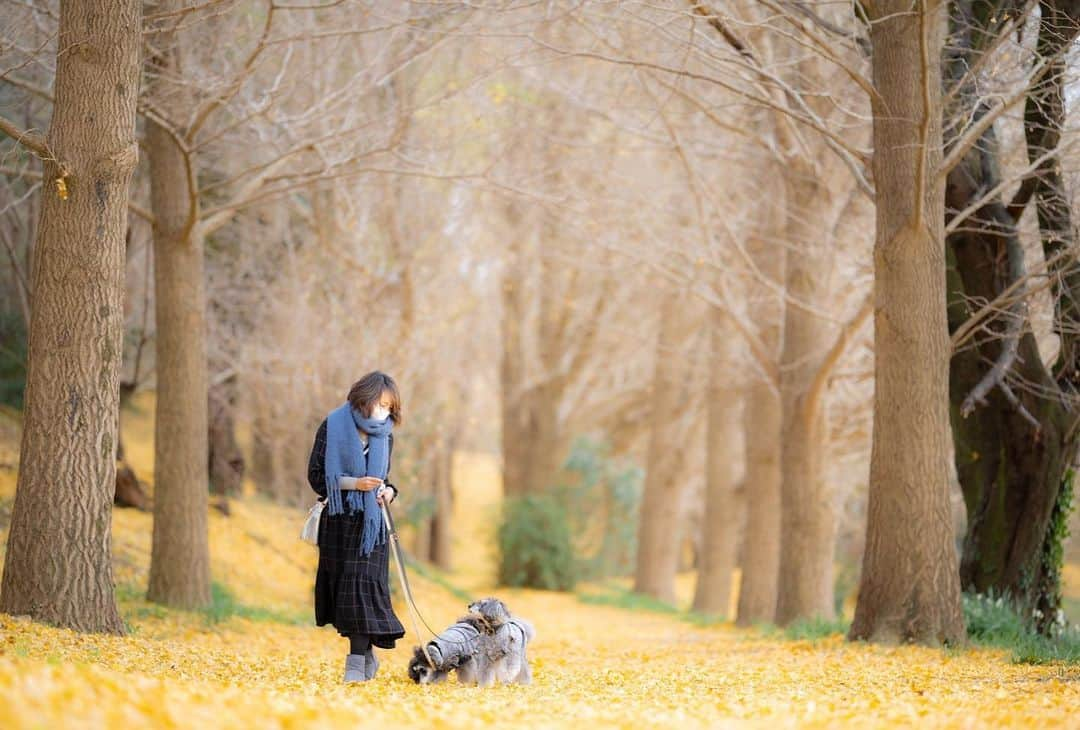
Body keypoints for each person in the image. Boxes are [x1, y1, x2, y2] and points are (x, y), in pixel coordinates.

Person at [307, 371, 406, 683]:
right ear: (365, 397)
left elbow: (383, 480)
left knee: (360, 586)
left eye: (390, 407)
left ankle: (355, 664)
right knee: (345, 592)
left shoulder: (384, 435)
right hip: (339, 521)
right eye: (381, 404)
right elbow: (316, 476)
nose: (384, 412)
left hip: (371, 528)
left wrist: (388, 492)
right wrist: (355, 485)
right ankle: (366, 655)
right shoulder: (333, 425)